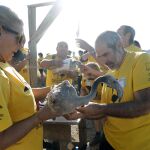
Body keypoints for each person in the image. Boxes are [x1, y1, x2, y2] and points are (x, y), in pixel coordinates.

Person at [65, 31, 150, 150]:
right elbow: (108, 109)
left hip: (135, 144)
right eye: (100, 56)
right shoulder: (110, 72)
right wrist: (82, 113)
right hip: (109, 140)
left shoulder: (141, 59)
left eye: (106, 54)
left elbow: (145, 105)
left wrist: (102, 108)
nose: (104, 61)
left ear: (119, 45)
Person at [0, 5, 62, 150]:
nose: (21, 46)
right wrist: (39, 116)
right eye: (19, 38)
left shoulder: (4, 64)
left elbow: (22, 93)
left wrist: (53, 90)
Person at [80, 62, 103, 147]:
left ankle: (105, 135)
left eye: (90, 73)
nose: (88, 76)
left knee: (104, 119)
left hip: (103, 102)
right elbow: (83, 88)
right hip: (93, 102)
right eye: (86, 73)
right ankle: (98, 134)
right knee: (96, 118)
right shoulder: (85, 79)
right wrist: (81, 99)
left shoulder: (102, 80)